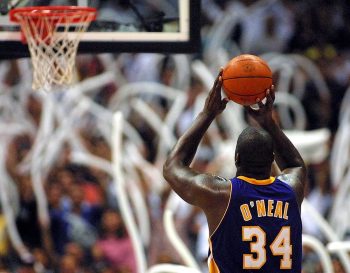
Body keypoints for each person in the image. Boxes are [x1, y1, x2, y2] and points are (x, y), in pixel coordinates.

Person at [163, 69, 307, 273]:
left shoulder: (221, 194)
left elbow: (172, 167)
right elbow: (296, 165)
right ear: (272, 160)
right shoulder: (291, 190)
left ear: (236, 158)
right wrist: (269, 122)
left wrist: (207, 114)